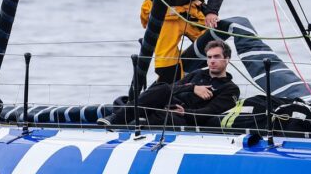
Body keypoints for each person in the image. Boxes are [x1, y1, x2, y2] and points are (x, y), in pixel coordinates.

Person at [99, 40, 239, 128]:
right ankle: (115, 119)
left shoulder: (230, 88)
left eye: (216, 57)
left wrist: (185, 112)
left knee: (162, 116)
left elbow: (211, 112)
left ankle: (132, 122)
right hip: (168, 104)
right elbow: (172, 88)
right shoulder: (197, 74)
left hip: (185, 117)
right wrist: (192, 87)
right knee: (162, 88)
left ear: (227, 59)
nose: (212, 61)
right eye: (209, 57)